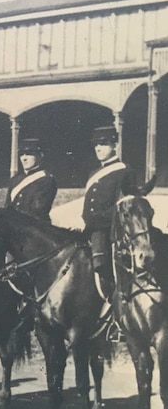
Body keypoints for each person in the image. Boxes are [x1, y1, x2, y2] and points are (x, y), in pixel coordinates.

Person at [82, 125, 136, 300]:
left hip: (109, 230)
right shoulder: (94, 173)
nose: (98, 148)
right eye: (96, 144)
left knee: (101, 264)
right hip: (90, 229)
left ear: (115, 145)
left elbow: (126, 205)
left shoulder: (124, 171)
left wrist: (96, 221)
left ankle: (112, 301)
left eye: (103, 144)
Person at [5, 138, 57, 223]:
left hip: (35, 230)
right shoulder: (15, 180)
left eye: (29, 154)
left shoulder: (46, 180)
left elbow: (38, 212)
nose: (24, 158)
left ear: (40, 156)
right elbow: (7, 207)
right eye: (22, 154)